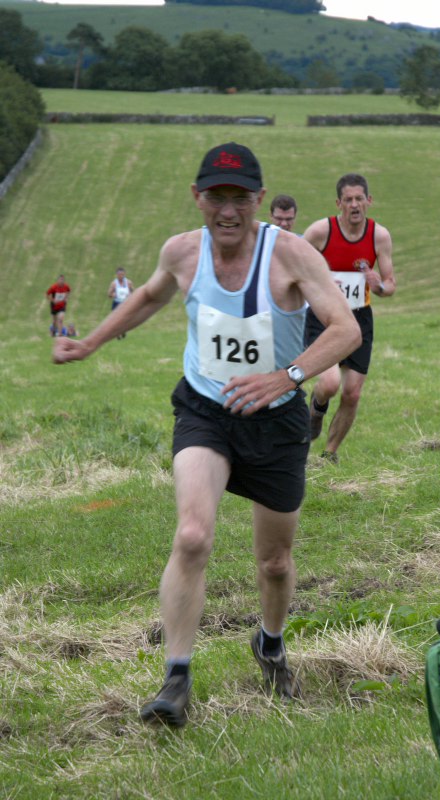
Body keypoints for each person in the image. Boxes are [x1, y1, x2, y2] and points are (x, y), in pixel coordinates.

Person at [53, 142, 361, 728]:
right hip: (205, 411)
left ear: (258, 199)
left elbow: (345, 330)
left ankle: (270, 642)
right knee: (193, 535)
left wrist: (286, 377)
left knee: (274, 562)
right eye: (216, 196)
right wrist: (90, 342)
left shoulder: (291, 256)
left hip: (276, 422)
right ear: (197, 197)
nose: (228, 210)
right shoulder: (182, 252)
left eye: (240, 198)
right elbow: (149, 295)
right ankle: (176, 677)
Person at [304, 173, 396, 463]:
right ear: (338, 203)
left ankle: (329, 454)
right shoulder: (321, 232)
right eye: (348, 200)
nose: (354, 205)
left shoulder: (379, 236)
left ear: (369, 201)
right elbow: (295, 266)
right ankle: (317, 409)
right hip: (324, 317)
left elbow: (390, 285)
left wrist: (378, 285)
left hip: (359, 318)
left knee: (352, 393)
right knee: (330, 384)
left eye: (359, 199)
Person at [108, 267, 134, 339]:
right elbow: (109, 294)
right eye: (119, 275)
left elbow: (133, 291)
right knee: (115, 319)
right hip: (117, 303)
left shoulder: (128, 282)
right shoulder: (114, 284)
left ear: (124, 274)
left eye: (122, 274)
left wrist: (130, 294)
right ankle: (117, 333)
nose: (121, 276)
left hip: (126, 303)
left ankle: (123, 330)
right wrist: (113, 295)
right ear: (117, 275)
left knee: (125, 318)